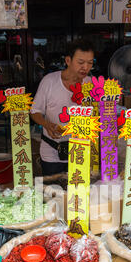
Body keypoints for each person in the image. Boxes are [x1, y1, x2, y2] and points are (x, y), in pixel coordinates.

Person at [30, 39, 95, 176]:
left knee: (79, 195)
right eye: (81, 62)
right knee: (52, 194)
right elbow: (35, 111)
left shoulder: (91, 85)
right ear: (68, 60)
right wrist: (46, 124)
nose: (85, 67)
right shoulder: (50, 81)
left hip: (81, 151)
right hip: (52, 151)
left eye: (90, 63)